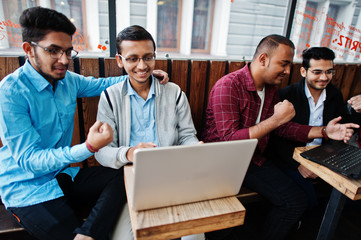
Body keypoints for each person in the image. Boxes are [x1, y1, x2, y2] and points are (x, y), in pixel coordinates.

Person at [0, 7, 168, 240]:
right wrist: (89, 147)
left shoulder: (68, 80)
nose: (64, 60)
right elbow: (30, 161)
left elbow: (102, 84)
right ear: (29, 49)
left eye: (69, 52)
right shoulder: (11, 92)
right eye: (53, 51)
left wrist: (143, 73)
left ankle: (88, 234)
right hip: (27, 190)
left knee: (125, 174)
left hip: (63, 176)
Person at [202, 35, 358, 240]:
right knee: (226, 222)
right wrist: (276, 120)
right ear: (263, 59)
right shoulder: (228, 86)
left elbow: (283, 128)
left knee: (296, 201)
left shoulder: (270, 89)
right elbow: (230, 139)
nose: (287, 71)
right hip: (222, 161)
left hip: (253, 159)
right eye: (283, 64)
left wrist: (324, 131)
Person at [94, 25, 201, 240]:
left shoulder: (174, 93)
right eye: (132, 58)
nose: (142, 66)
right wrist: (130, 153)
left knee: (193, 236)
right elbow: (101, 151)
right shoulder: (110, 97)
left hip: (172, 174)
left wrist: (195, 148)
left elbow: (187, 135)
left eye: (148, 57)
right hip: (130, 182)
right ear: (119, 60)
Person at [267, 47, 360, 208]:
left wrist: (357, 109)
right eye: (317, 72)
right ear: (304, 71)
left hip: (325, 156)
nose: (324, 77)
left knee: (350, 196)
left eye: (329, 72)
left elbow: (347, 126)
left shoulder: (334, 94)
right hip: (293, 159)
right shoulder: (287, 95)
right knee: (308, 201)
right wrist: (298, 165)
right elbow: (275, 138)